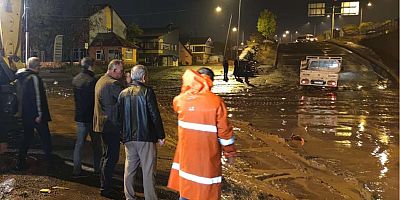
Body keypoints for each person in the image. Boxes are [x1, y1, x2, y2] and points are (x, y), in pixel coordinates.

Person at [167, 67, 237, 200]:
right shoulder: (216, 102)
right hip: (207, 159)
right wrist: (230, 153)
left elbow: (178, 104)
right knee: (206, 192)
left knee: (187, 191)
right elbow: (225, 133)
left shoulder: (180, 100)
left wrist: (187, 89)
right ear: (211, 81)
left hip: (186, 159)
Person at [117, 65, 166, 200]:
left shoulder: (123, 93)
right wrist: (160, 135)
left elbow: (119, 118)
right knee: (148, 170)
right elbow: (154, 115)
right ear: (144, 77)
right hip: (145, 137)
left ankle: (129, 196)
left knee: (130, 168)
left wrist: (122, 136)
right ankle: (150, 197)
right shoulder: (147, 92)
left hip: (128, 138)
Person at [93, 59, 124, 197]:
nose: (122, 74)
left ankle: (105, 185)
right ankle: (106, 188)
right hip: (111, 126)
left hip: (101, 124)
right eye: (121, 71)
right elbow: (126, 97)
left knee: (106, 156)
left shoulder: (101, 80)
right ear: (113, 70)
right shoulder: (113, 84)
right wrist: (128, 83)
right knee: (111, 158)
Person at [16, 57, 52, 170]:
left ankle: (20, 162)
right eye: (39, 65)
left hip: (26, 114)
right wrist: (40, 114)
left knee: (27, 137)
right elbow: (37, 97)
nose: (40, 67)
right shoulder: (34, 78)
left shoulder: (21, 77)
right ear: (36, 66)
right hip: (36, 116)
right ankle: (49, 163)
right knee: (46, 138)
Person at [72, 57, 102, 177]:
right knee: (97, 145)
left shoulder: (75, 79)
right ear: (91, 66)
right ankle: (97, 169)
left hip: (79, 117)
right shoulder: (93, 80)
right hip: (91, 118)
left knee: (79, 145)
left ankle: (76, 170)